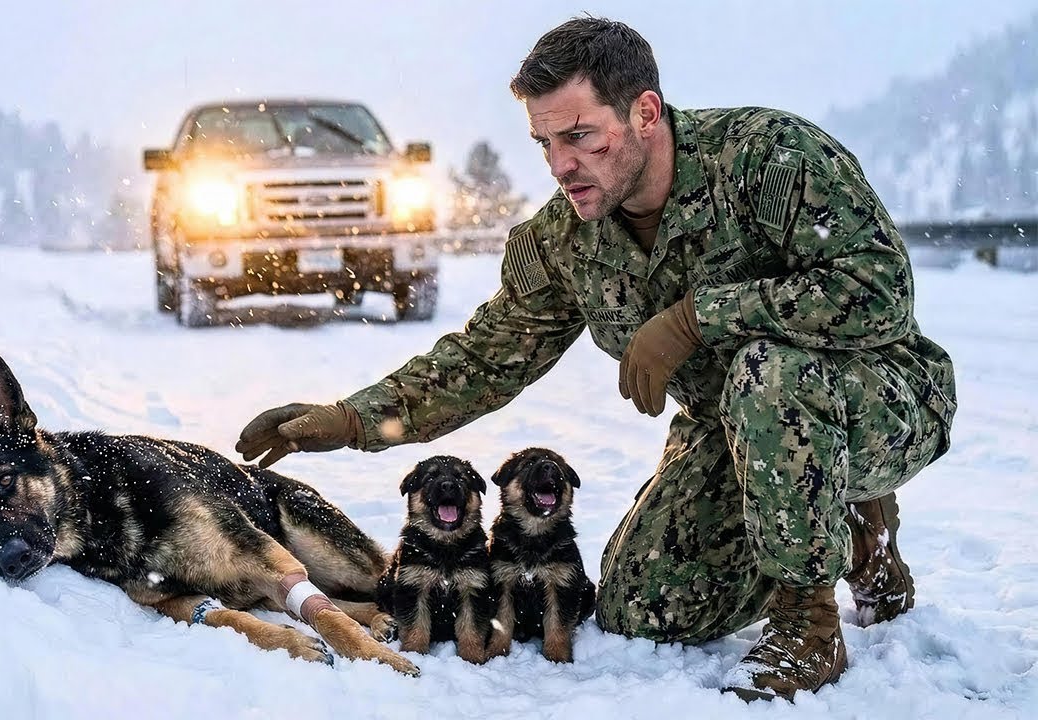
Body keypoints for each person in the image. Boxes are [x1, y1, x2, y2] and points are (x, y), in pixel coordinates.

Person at [235, 17, 956, 702]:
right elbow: (488, 356)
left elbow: (878, 289)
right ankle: (838, 525)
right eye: (545, 144)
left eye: (581, 136)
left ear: (645, 112)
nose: (561, 165)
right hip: (734, 433)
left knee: (769, 373)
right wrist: (351, 418)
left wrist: (698, 317)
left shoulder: (772, 158)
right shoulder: (564, 239)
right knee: (645, 607)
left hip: (877, 399)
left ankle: (810, 619)